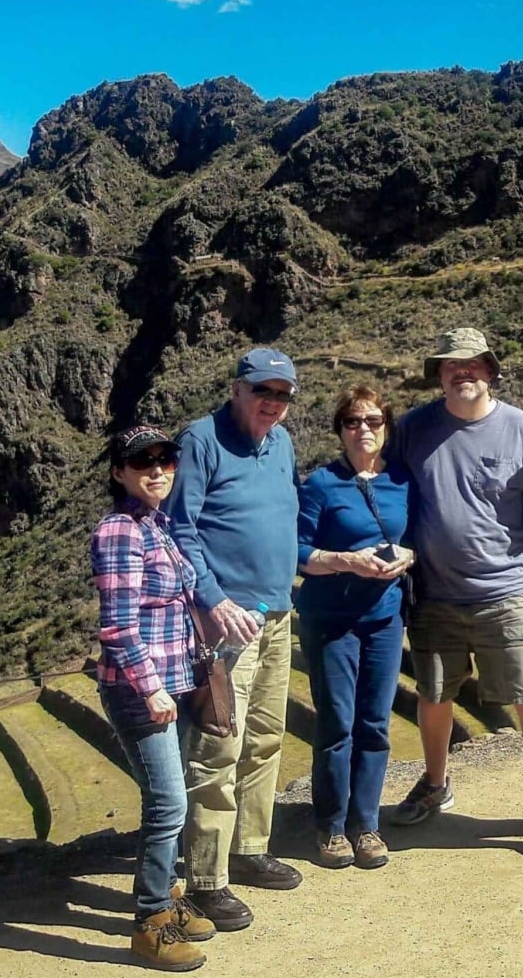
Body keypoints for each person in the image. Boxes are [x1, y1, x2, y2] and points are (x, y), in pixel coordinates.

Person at [386, 327, 523, 866]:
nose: (461, 372)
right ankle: (435, 783)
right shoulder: (415, 429)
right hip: (434, 594)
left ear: (490, 371)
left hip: (504, 590)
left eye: (471, 364)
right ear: (439, 374)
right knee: (434, 696)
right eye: (450, 365)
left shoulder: (522, 430)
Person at [165, 348, 302, 931]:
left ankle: (249, 847)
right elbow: (179, 526)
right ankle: (205, 879)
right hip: (225, 623)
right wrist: (215, 599)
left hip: (277, 613)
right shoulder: (201, 440)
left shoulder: (283, 443)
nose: (272, 403)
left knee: (266, 738)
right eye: (262, 391)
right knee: (218, 743)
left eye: (282, 394)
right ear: (236, 389)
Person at [91, 425, 214, 971]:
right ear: (119, 472)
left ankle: (165, 900)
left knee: (172, 799)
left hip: (175, 685)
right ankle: (149, 925)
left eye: (165, 459)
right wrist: (153, 687)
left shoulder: (156, 524)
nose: (157, 469)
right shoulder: (121, 531)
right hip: (144, 691)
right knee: (168, 804)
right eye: (143, 462)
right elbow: (117, 628)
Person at [296, 385, 414, 870]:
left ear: (386, 426)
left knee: (375, 723)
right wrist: (346, 561)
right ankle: (330, 826)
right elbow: (297, 552)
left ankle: (366, 825)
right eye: (352, 421)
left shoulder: (403, 481)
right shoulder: (321, 485)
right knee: (336, 724)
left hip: (384, 618)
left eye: (372, 420)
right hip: (331, 621)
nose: (362, 429)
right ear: (339, 430)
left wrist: (408, 556)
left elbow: (418, 537)